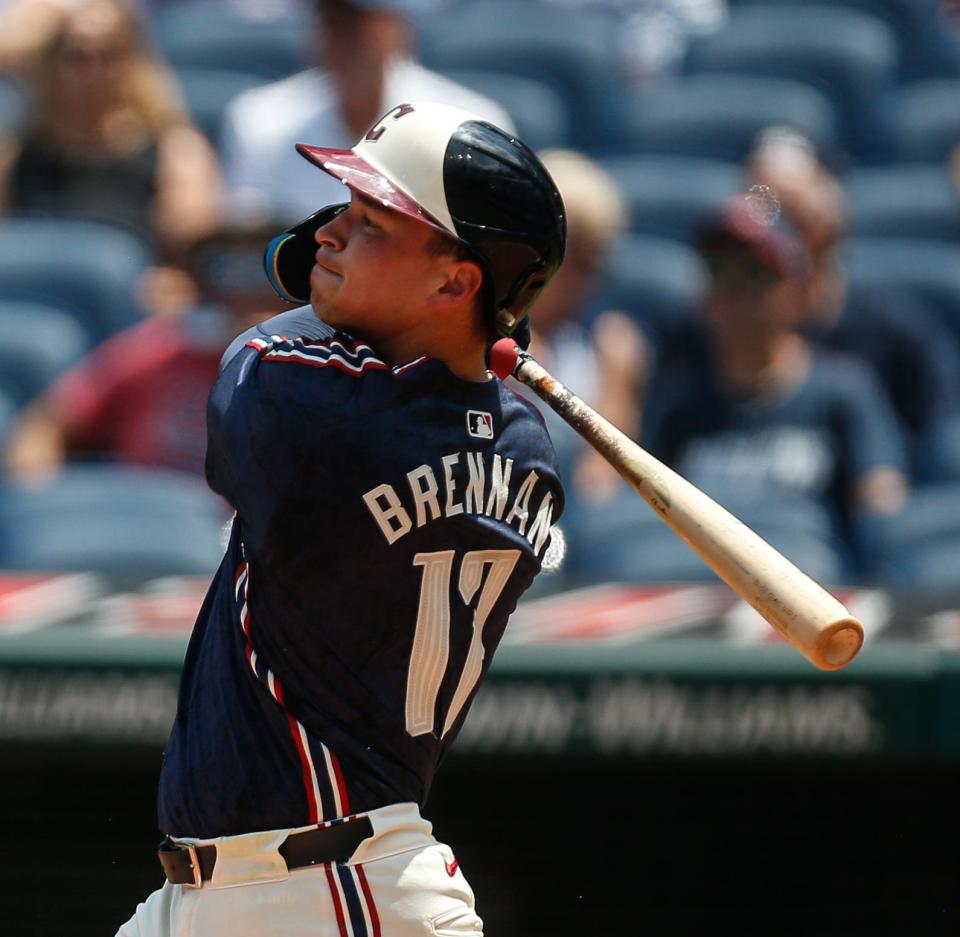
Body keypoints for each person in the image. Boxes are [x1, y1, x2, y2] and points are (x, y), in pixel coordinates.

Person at [115, 100, 566, 936]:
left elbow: (256, 354)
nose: (325, 232)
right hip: (293, 882)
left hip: (327, 888)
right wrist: (465, 323)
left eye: (368, 223)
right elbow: (450, 395)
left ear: (455, 280)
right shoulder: (525, 443)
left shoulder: (306, 409)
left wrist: (316, 280)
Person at [640, 194, 909, 573]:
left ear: (795, 291)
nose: (733, 292)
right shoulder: (679, 400)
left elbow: (882, 499)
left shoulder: (844, 390)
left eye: (752, 275)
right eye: (718, 272)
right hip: (692, 586)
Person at [746, 125, 960, 482]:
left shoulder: (895, 328)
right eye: (762, 209)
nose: (775, 232)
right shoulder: (713, 329)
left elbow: (937, 441)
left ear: (830, 218)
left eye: (792, 212)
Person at [4, 214, 284, 481]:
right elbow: (47, 426)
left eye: (263, 267)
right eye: (225, 265)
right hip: (132, 515)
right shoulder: (161, 346)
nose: (245, 285)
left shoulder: (316, 370)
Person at [220, 0, 515, 219]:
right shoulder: (261, 118)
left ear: (396, 29)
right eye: (332, 21)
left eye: (359, 23)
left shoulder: (469, 121)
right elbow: (250, 243)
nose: (344, 39)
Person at [0, 0, 222, 260]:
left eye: (108, 56)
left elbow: (191, 258)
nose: (93, 72)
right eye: (77, 57)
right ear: (52, 65)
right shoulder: (15, 155)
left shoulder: (176, 153)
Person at [523, 148, 646, 504]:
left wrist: (616, 383)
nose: (583, 280)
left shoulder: (612, 348)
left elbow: (602, 482)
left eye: (593, 263)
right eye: (571, 258)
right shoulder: (482, 337)